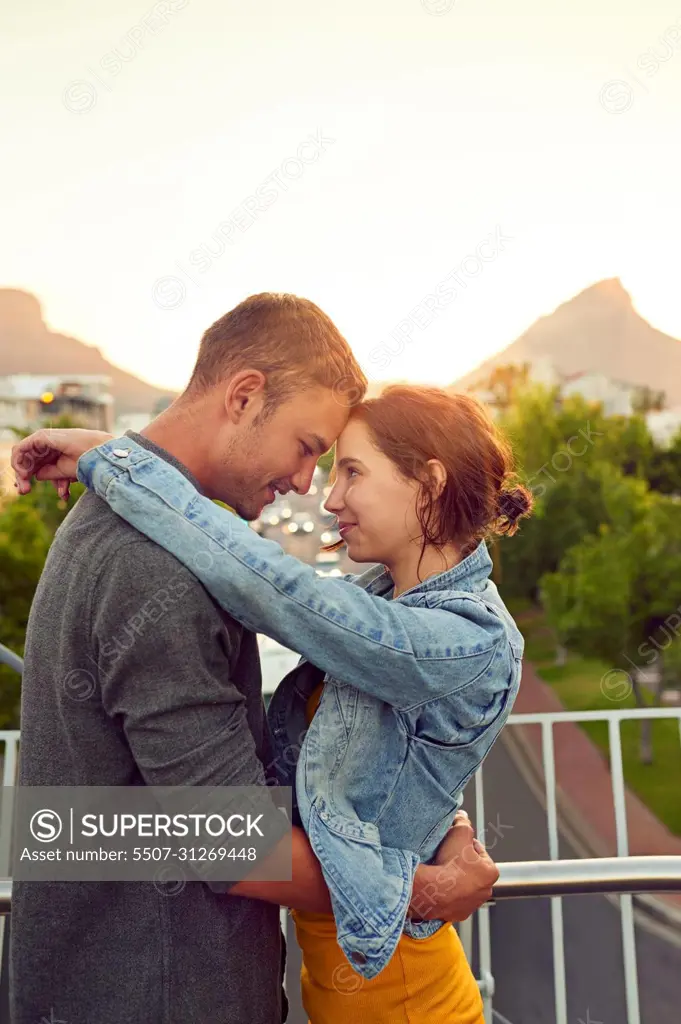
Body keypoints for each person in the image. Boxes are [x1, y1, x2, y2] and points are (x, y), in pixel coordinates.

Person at [9, 294, 498, 1024]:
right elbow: (225, 839)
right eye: (307, 448)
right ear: (243, 396)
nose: (309, 487)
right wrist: (425, 890)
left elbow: (90, 824)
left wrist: (115, 459)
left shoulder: (120, 526)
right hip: (160, 994)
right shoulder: (156, 570)